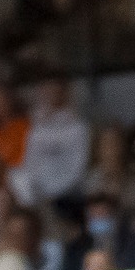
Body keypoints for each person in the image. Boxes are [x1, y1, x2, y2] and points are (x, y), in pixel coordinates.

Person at [16, 78, 91, 206]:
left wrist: (55, 190)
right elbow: (30, 161)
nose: (50, 94)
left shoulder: (78, 127)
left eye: (54, 89)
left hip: (67, 192)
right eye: (47, 89)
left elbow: (79, 164)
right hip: (39, 191)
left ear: (64, 92)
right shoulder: (35, 127)